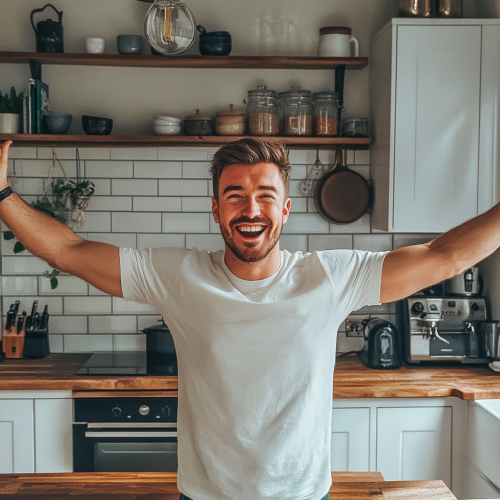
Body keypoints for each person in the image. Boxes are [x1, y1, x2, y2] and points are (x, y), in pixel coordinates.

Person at [0, 137, 498, 500]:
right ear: (216, 210)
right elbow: (69, 251)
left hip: (302, 495)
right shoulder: (179, 275)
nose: (250, 207)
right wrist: (2, 196)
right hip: (205, 496)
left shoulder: (332, 275)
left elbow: (444, 257)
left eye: (264, 195)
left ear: (285, 210)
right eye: (235, 194)